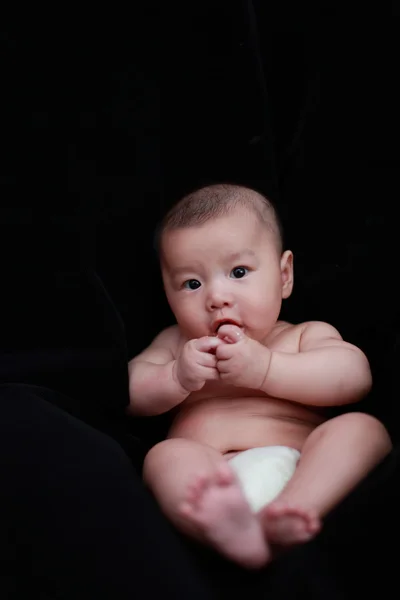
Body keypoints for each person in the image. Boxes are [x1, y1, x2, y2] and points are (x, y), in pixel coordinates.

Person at [128, 183, 392, 569]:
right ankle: (226, 531)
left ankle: (292, 510)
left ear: (284, 275)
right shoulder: (175, 345)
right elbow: (128, 393)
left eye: (238, 272)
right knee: (165, 456)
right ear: (167, 294)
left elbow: (354, 376)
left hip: (304, 467)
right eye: (191, 283)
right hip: (214, 479)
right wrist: (175, 377)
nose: (216, 297)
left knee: (363, 428)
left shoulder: (302, 334)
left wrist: (268, 369)